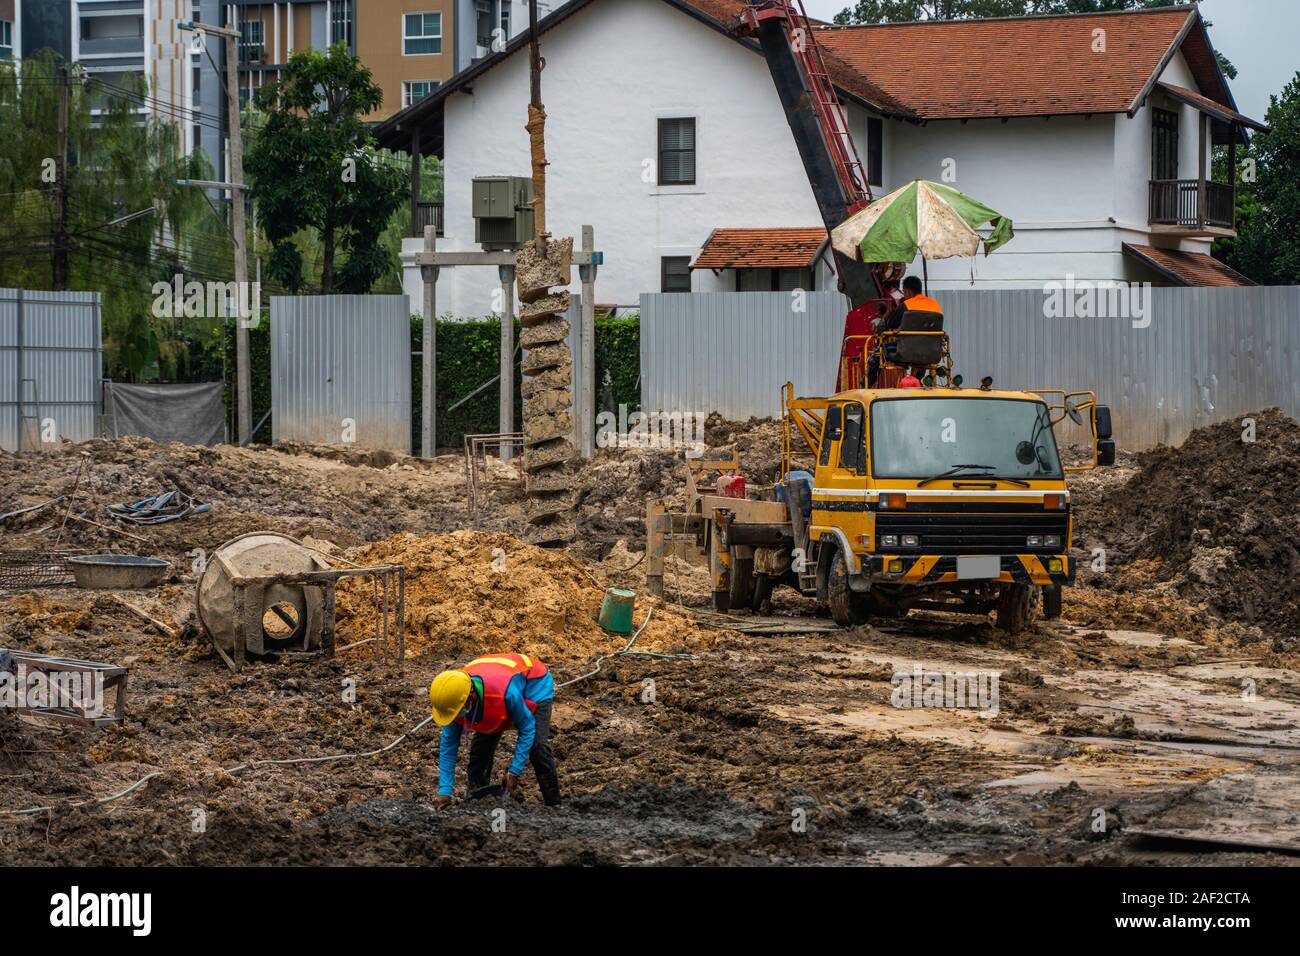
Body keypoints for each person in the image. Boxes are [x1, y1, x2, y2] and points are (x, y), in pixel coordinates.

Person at [428, 652, 560, 807]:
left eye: (458, 712)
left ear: (471, 698)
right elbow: (448, 747)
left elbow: (527, 726)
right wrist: (444, 791)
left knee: (537, 747)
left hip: (534, 683)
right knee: (480, 750)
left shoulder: (504, 695)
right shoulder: (452, 702)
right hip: (494, 685)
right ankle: (476, 803)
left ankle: (554, 805)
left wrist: (514, 771)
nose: (457, 718)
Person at [868, 276, 942, 386]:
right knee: (920, 355)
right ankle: (917, 381)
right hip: (932, 352)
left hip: (905, 352)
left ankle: (867, 384)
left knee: (877, 354)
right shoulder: (936, 305)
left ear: (907, 291)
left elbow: (890, 325)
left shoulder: (906, 305)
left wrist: (887, 314)